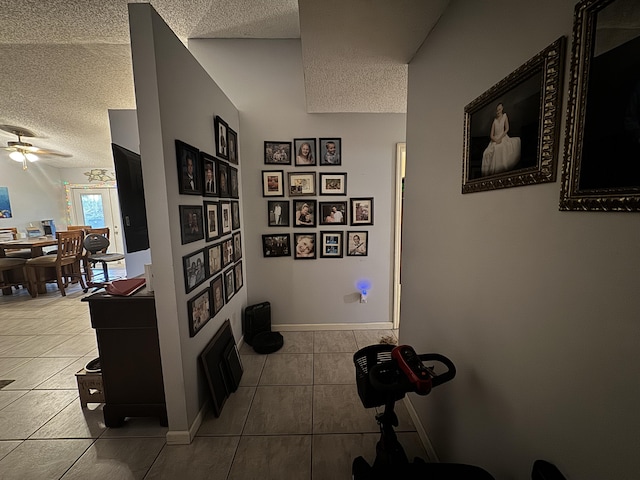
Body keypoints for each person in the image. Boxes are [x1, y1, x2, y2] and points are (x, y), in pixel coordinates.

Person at [481, 102, 521, 176]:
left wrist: (501, 138)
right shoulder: (495, 120)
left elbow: (507, 129)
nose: (498, 111)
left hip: (503, 137)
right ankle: (488, 174)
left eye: (499, 109)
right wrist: (496, 140)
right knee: (486, 153)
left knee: (498, 148)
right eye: (497, 110)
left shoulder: (505, 116)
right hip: (495, 139)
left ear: (502, 109)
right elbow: (491, 135)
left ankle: (498, 171)